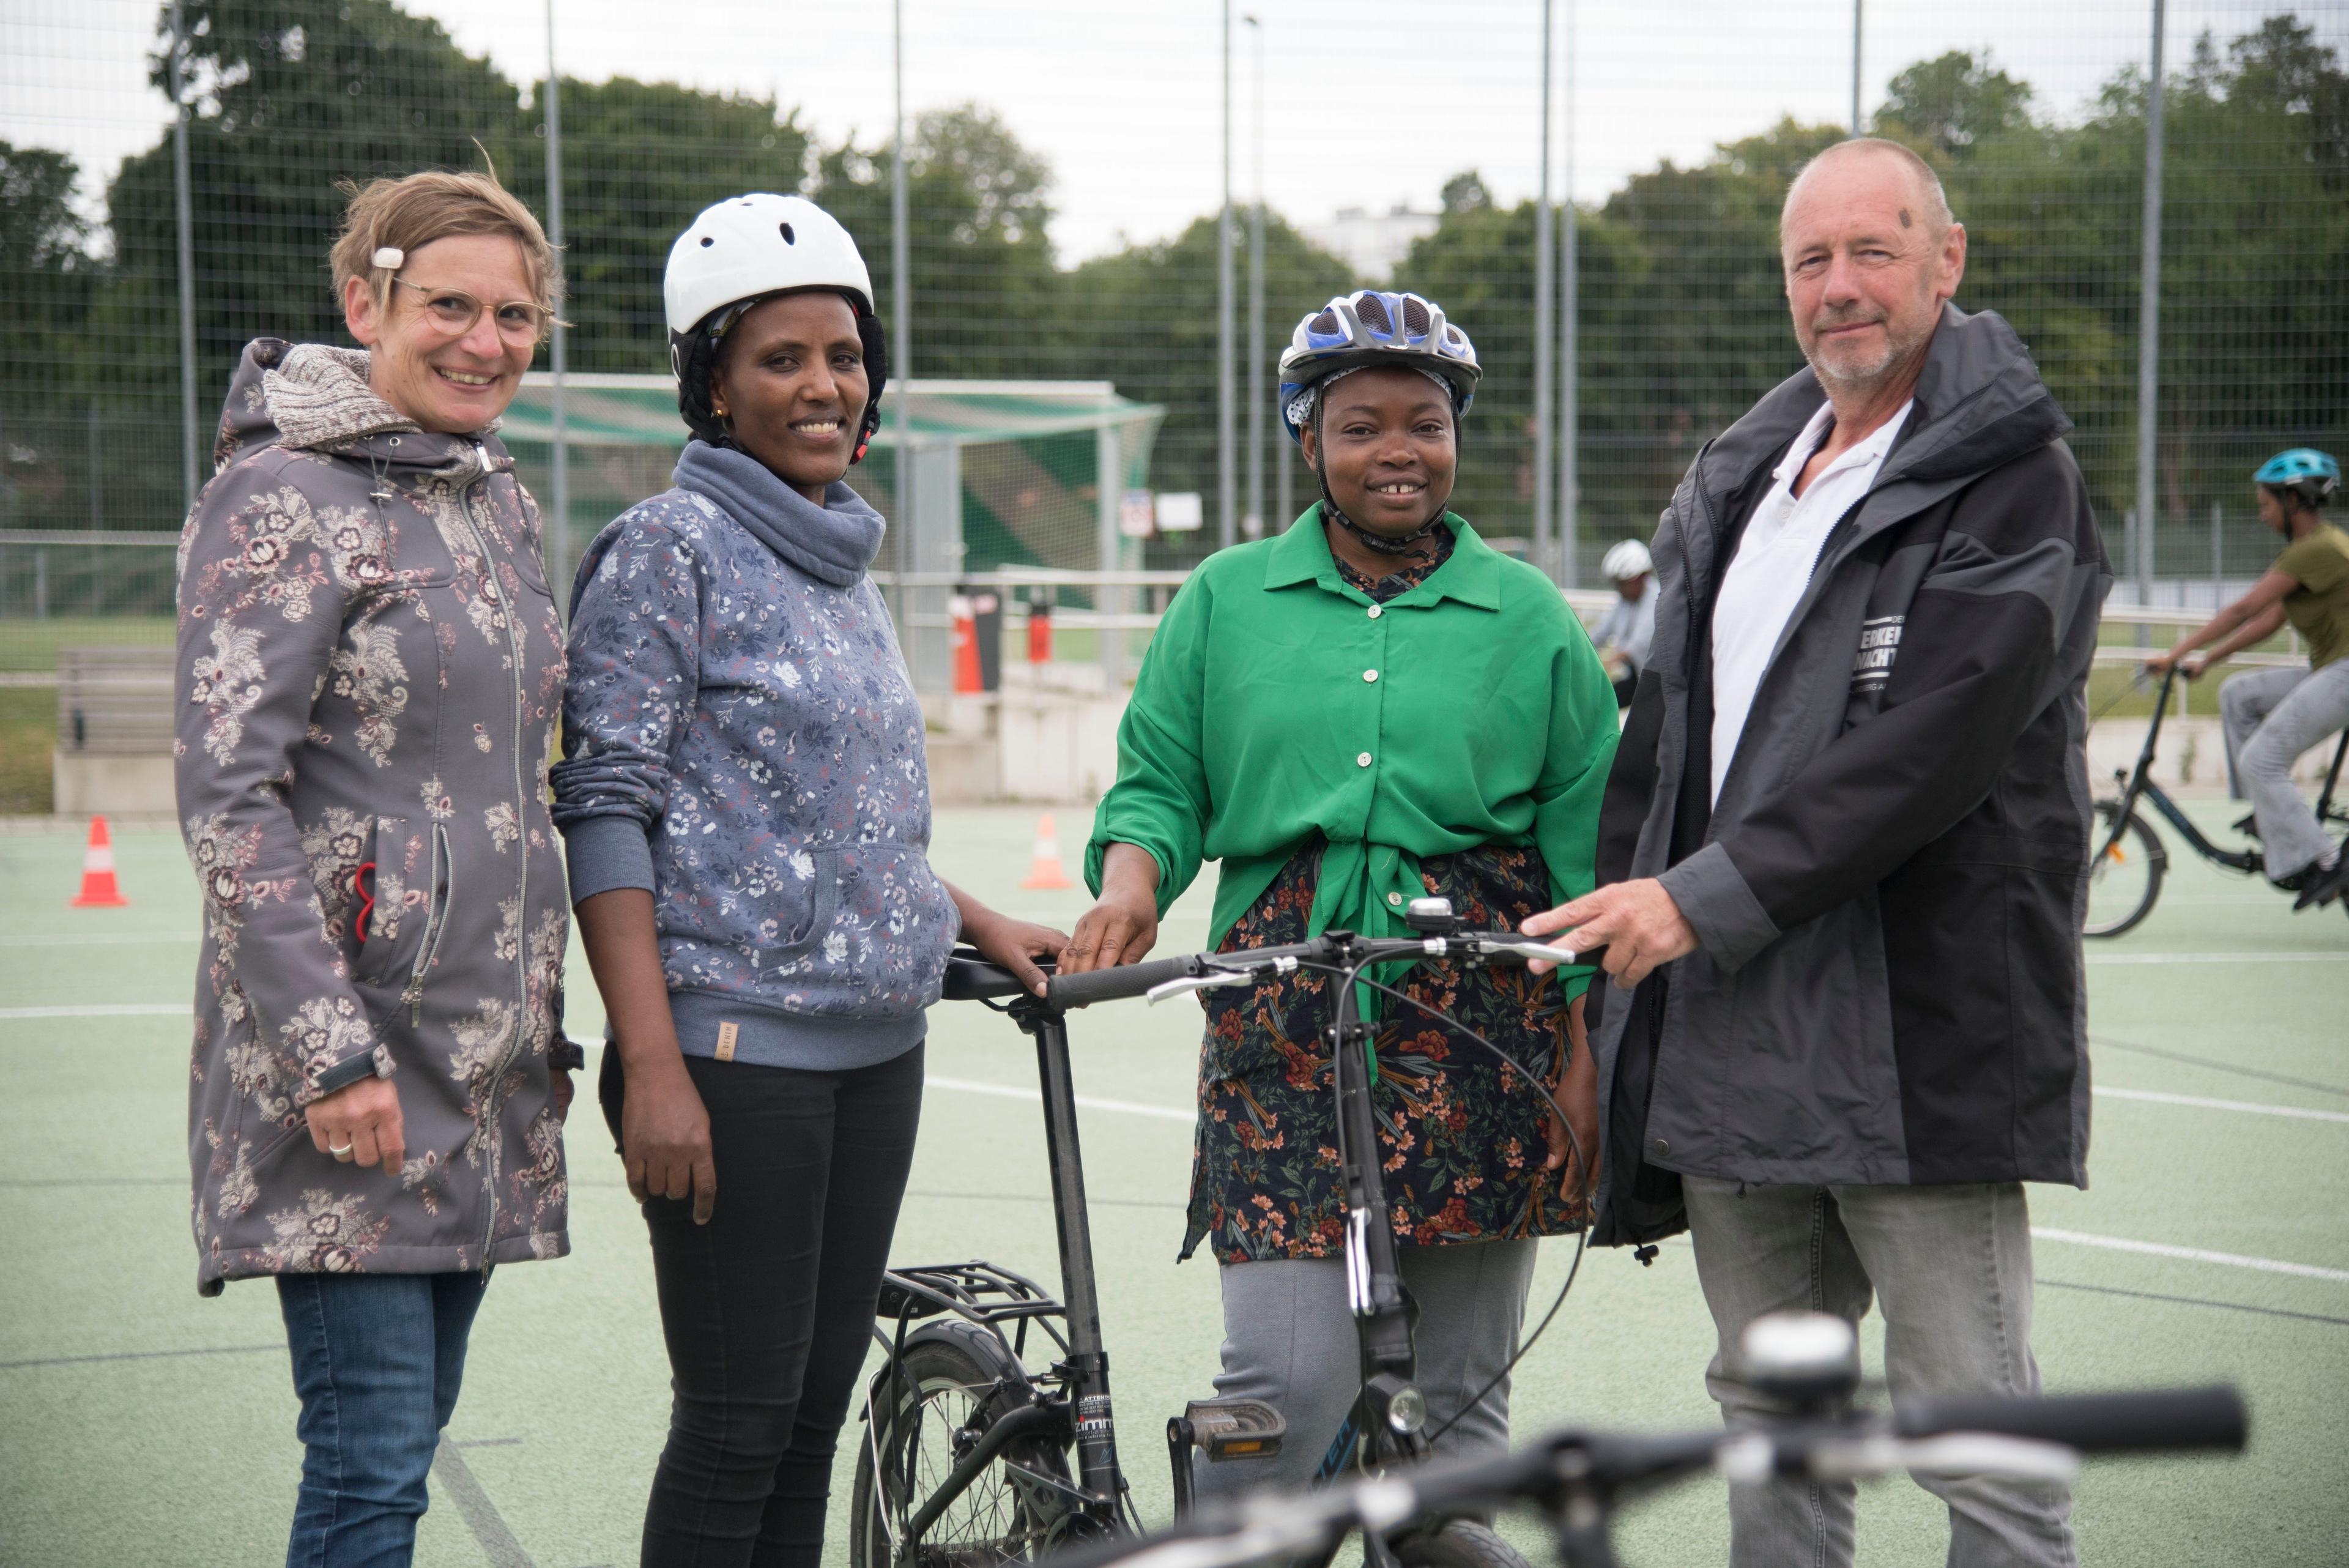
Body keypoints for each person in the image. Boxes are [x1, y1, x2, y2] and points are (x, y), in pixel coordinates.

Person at [1522, 140, 2106, 1567]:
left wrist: (1699, 900)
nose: (1839, 287)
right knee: (1772, 1424)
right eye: (1810, 260)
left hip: (1917, 1040)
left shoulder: (2013, 480)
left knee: (1976, 1440)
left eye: (1872, 251)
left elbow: (1936, 744)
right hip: (1733, 1048)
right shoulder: (1743, 480)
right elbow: (1661, 752)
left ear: (1946, 261)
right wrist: (1606, 999)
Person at [551, 193, 1065, 1568]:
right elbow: (605, 809)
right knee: (737, 1427)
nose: (823, 384)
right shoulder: (668, 549)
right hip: (734, 1055)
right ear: (713, 383)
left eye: (844, 355)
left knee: (810, 1423)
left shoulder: (840, 555)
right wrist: (653, 1067)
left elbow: (838, 819)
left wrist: (972, 916)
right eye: (780, 359)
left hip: (873, 1049)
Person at [1060, 289, 1619, 1501]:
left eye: (1427, 424)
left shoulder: (1530, 616)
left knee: (1458, 1403)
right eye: (1362, 426)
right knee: (1284, 1388)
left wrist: (1589, 1048)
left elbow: (1591, 853)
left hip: (1485, 1030)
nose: (1398, 451)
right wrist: (1132, 883)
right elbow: (1160, 781)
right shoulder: (1225, 598)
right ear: (1307, 439)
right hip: (1285, 1017)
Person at [176, 168, 578, 1567]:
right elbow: (230, 794)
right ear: (366, 306)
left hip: (477, 1063)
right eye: (449, 307)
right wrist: (329, 1055)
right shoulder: (279, 497)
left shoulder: (495, 497)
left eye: (514, 316)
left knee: (390, 1456)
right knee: (370, 1476)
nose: (485, 341)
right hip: (348, 1073)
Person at [2143, 448, 2348, 908]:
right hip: (2332, 669)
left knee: (2262, 759)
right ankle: (2266, 813)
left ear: (2293, 501)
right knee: (2238, 694)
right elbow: (2268, 620)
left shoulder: (2317, 550)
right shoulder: (2310, 551)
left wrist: (2175, 653)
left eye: (2266, 505)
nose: (2262, 515)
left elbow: (2242, 610)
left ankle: (2328, 860)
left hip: (2345, 671)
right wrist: (2207, 661)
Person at [1589, 538, 1658, 707]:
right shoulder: (1625, 601)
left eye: (1621, 584)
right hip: (1636, 675)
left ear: (1639, 578)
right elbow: (1600, 632)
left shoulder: (1657, 599)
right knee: (1600, 703)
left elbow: (1638, 644)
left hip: (1655, 680)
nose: (1618, 589)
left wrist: (1608, 663)